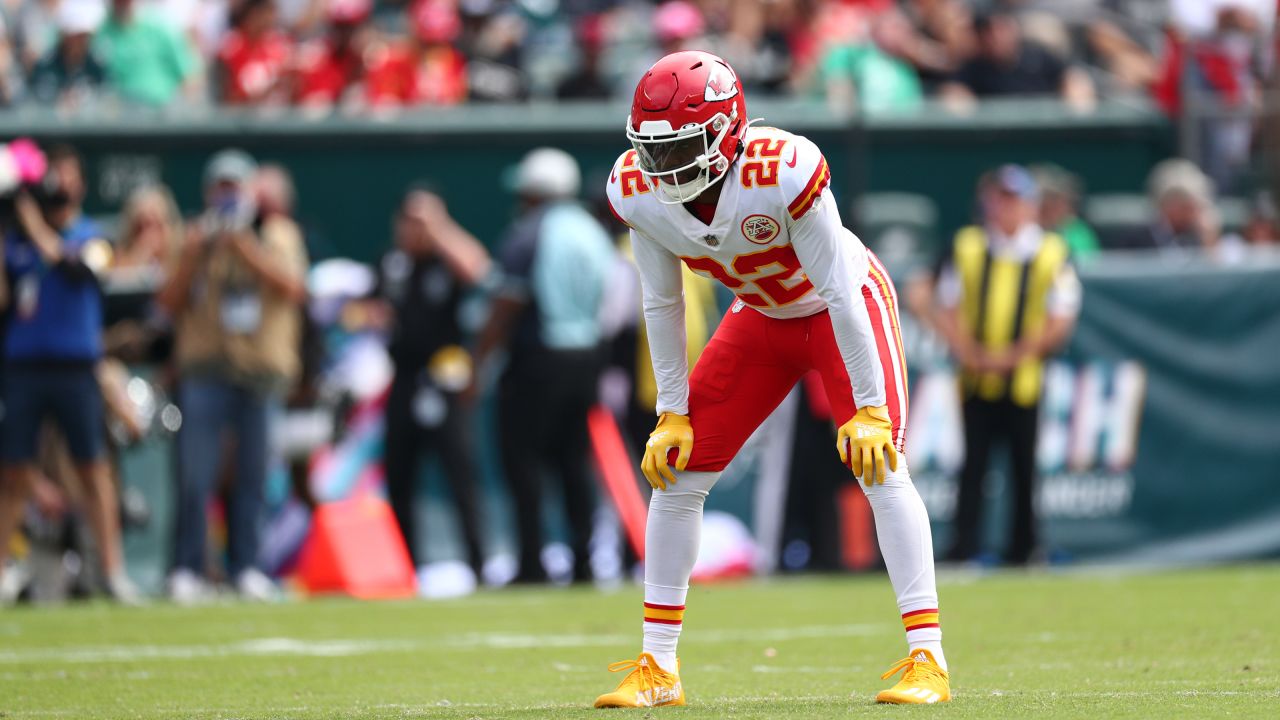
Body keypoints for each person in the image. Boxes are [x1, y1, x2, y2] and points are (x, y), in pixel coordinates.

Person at [593, 51, 949, 708]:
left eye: (681, 149)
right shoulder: (637, 188)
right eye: (654, 149)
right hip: (758, 316)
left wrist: (867, 407)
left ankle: (927, 657)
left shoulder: (783, 168)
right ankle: (658, 666)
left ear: (728, 132)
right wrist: (671, 410)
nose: (664, 167)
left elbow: (841, 291)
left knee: (879, 464)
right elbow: (662, 301)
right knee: (678, 470)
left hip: (840, 306)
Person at [158, 150, 308, 603]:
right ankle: (187, 568)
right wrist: (194, 256)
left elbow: (295, 288)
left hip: (260, 370)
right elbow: (167, 302)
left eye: (234, 187)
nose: (226, 196)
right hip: (205, 368)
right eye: (219, 188)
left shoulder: (276, 233)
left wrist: (246, 247)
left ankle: (247, 567)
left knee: (254, 475)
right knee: (195, 474)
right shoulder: (191, 237)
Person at [469, 148, 615, 585]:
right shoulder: (593, 231)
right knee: (574, 463)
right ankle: (584, 562)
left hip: (539, 360)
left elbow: (506, 305)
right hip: (587, 357)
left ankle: (531, 562)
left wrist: (478, 363)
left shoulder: (529, 234)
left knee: (525, 463)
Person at [0, 144, 139, 604]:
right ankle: (4, 568)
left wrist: (33, 225)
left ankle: (113, 570)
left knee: (92, 468)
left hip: (77, 368)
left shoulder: (93, 235)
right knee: (15, 470)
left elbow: (77, 268)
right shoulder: (15, 241)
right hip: (24, 367)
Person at [934, 165, 1081, 567]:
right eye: (998, 199)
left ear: (1030, 206)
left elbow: (1061, 316)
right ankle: (964, 546)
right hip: (974, 375)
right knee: (972, 466)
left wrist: (1013, 356)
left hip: (1024, 379)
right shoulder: (966, 245)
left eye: (1013, 200)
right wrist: (970, 351)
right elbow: (944, 302)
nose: (1004, 208)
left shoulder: (1051, 252)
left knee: (1023, 467)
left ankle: (1025, 548)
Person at [372, 188, 490, 583]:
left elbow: (477, 269)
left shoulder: (446, 258)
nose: (415, 229)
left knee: (461, 475)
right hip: (404, 378)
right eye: (410, 220)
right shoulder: (393, 263)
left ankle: (478, 564)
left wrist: (437, 227)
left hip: (446, 377)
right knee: (400, 475)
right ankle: (405, 566)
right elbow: (369, 307)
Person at [941, 9, 1094, 110]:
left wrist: (1076, 106)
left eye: (1003, 29)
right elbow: (954, 91)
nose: (998, 37)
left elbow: (1072, 77)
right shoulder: (974, 66)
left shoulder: (1038, 55)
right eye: (991, 31)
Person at [94, 0, 201, 107]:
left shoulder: (160, 26)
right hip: (120, 111)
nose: (122, 4)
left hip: (161, 110)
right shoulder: (103, 32)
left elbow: (189, 74)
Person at [27, 0, 108, 109]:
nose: (81, 42)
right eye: (77, 36)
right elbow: (38, 100)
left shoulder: (96, 67)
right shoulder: (45, 67)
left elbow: (106, 99)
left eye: (84, 36)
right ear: (64, 35)